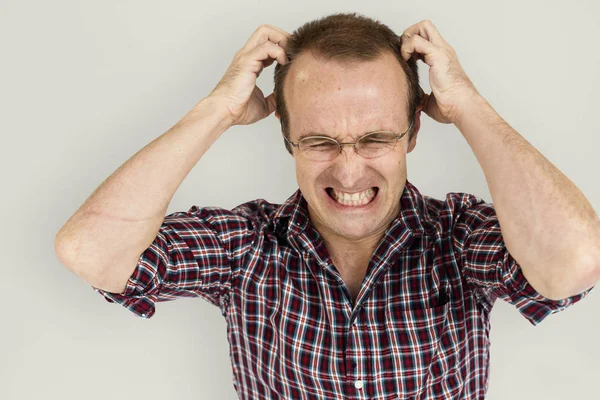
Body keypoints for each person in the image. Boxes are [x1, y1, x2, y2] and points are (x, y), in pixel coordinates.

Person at [54, 12, 599, 400]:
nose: (349, 169)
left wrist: (469, 107)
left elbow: (575, 261)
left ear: (413, 132)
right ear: (286, 137)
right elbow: (90, 250)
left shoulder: (458, 237)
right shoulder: (246, 246)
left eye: (375, 138)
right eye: (320, 142)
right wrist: (215, 110)